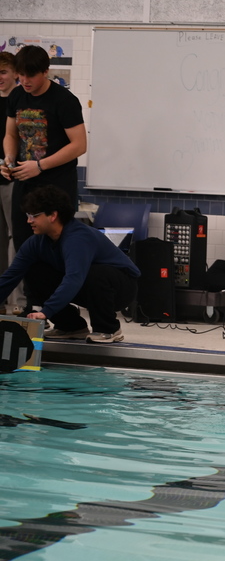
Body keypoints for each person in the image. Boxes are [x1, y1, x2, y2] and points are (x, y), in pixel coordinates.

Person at [0, 185, 140, 343]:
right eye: (28, 215)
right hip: (86, 285)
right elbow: (11, 276)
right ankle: (71, 326)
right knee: (34, 270)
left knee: (96, 273)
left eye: (34, 216)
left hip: (121, 287)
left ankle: (109, 329)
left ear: (53, 215)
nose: (29, 220)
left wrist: (46, 312)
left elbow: (74, 278)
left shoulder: (78, 238)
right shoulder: (36, 242)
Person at [1, 45, 87, 253]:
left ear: (46, 71)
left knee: (56, 247)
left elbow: (79, 145)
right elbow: (11, 134)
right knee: (23, 244)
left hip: (56, 186)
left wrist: (40, 166)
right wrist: (9, 160)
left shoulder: (65, 101)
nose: (25, 81)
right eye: (21, 75)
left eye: (31, 75)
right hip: (24, 184)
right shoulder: (17, 96)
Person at [0, 51, 25, 316]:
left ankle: (15, 300)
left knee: (14, 239)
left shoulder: (20, 101)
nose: (0, 78)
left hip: (13, 177)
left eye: (4, 72)